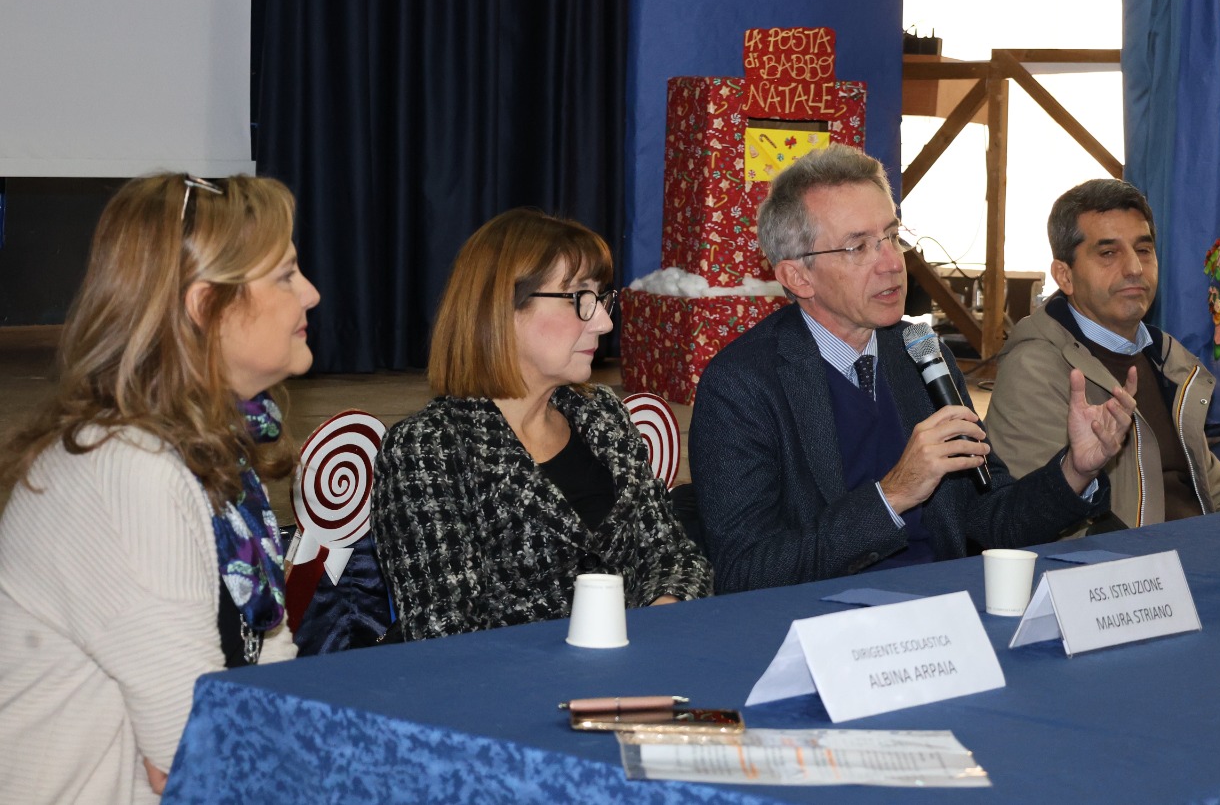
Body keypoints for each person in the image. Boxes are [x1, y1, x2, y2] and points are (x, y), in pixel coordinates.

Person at [0, 173, 316, 803]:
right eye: (284, 276)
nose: (310, 293)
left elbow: (266, 671)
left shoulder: (206, 444)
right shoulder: (127, 472)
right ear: (205, 306)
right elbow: (196, 756)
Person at [690, 145, 1130, 593]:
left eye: (891, 235)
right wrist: (893, 496)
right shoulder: (742, 384)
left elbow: (991, 519)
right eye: (858, 246)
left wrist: (1075, 470)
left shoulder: (918, 352)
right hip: (823, 626)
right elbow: (745, 571)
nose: (890, 263)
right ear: (798, 277)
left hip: (945, 608)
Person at [372, 209, 712, 641]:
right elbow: (446, 634)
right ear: (502, 310)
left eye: (600, 299)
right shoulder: (429, 449)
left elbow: (674, 558)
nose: (605, 322)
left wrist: (660, 620)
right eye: (579, 299)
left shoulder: (602, 416)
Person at [985, 180, 1220, 529]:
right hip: (1125, 573)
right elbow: (1033, 526)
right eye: (1108, 253)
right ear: (1065, 275)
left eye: (1143, 250)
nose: (1135, 269)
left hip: (1200, 557)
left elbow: (1216, 491)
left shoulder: (1168, 360)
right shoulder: (1035, 369)